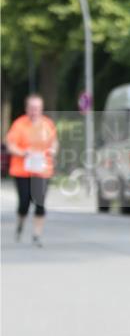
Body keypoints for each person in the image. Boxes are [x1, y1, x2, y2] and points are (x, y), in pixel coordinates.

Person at [6, 94, 58, 247]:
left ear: (41, 109)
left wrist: (53, 150)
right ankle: (20, 225)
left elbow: (54, 142)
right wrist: (23, 152)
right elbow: (10, 145)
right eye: (32, 108)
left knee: (39, 203)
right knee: (24, 203)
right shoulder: (19, 125)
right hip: (22, 171)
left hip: (42, 171)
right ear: (27, 109)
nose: (34, 111)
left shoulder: (47, 124)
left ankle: (36, 235)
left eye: (37, 108)